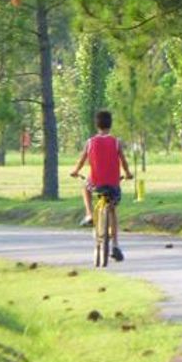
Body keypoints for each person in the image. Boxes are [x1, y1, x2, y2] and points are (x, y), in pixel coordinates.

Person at [70, 110, 133, 261]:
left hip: (96, 184)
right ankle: (115, 244)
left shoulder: (90, 142)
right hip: (113, 185)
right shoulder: (116, 142)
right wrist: (128, 173)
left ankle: (89, 214)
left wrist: (75, 171)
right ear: (110, 125)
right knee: (112, 211)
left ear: (96, 125)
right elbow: (123, 161)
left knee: (85, 186)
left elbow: (82, 160)